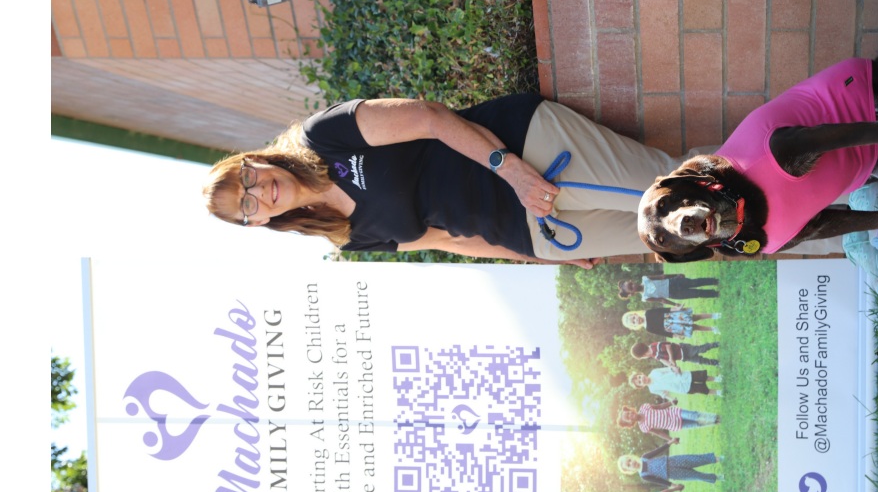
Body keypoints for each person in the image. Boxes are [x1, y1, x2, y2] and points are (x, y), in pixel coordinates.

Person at [203, 94, 686, 264]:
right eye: (246, 205)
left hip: (528, 153)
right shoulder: (345, 237)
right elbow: (450, 240)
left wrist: (512, 171)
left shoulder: (322, 137)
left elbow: (429, 118)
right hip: (535, 231)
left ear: (253, 160)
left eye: (246, 178)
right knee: (680, 237)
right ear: (255, 223)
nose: (256, 192)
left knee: (677, 193)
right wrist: (534, 255)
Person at [617, 445, 723, 485]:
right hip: (673, 474)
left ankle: (717, 459)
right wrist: (672, 485)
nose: (631, 463)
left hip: (673, 461)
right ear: (630, 471)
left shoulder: (644, 457)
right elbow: (659, 481)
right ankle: (717, 477)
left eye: (629, 460)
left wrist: (670, 443)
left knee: (694, 459)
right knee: (696, 475)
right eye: (629, 465)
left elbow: (658, 451)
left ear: (631, 457)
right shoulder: (644, 475)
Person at [617, 402, 719, 443]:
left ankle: (715, 417)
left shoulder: (644, 407)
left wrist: (671, 402)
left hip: (675, 413)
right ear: (630, 423)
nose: (630, 414)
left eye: (628, 412)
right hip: (675, 425)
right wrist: (671, 439)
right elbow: (659, 433)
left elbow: (659, 406)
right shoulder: (643, 427)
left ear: (630, 410)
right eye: (628, 417)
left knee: (694, 415)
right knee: (696, 424)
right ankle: (714, 422)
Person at [622, 308, 721, 337]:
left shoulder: (648, 313)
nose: (636, 320)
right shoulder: (648, 328)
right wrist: (675, 335)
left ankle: (714, 315)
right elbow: (662, 333)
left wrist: (676, 309)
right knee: (694, 328)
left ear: (635, 314)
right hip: (673, 328)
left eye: (633, 318)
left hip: (673, 317)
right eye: (633, 322)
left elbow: (662, 310)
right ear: (635, 326)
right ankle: (713, 329)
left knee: (694, 317)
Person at [618, 275, 719, 303]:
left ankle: (714, 281)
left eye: (631, 283)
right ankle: (715, 294)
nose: (633, 285)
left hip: (673, 282)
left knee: (694, 282)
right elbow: (661, 300)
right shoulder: (645, 297)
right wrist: (675, 304)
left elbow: (662, 276)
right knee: (696, 293)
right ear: (631, 294)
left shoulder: (645, 278)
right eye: (631, 288)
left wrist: (676, 276)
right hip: (674, 294)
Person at [628, 369, 722, 398]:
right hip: (680, 388)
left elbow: (666, 369)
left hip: (680, 376)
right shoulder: (652, 389)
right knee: (701, 389)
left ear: (641, 374)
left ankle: (717, 379)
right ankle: (717, 392)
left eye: (639, 377)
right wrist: (671, 399)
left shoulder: (654, 372)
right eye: (639, 382)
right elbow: (663, 394)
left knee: (701, 376)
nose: (641, 379)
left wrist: (674, 368)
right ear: (641, 386)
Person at [630, 340, 720, 368]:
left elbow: (668, 346)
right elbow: (663, 360)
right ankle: (715, 362)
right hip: (683, 357)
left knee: (700, 349)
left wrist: (671, 358)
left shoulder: (654, 347)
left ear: (643, 354)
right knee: (699, 361)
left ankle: (714, 344)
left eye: (642, 357)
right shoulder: (653, 355)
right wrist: (672, 366)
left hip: (683, 349)